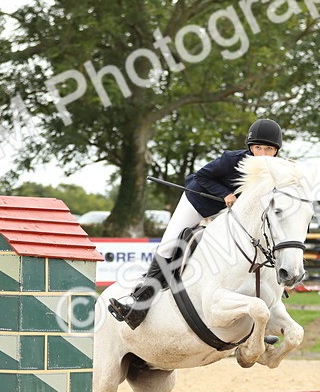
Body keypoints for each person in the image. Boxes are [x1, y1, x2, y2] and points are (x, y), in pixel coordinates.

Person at [107, 118, 283, 329]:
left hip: (227, 213)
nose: (263, 154)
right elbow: (202, 176)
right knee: (169, 245)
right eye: (258, 148)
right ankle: (138, 304)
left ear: (276, 150)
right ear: (250, 147)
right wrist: (224, 193)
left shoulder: (276, 169)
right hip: (197, 202)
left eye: (268, 149)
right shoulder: (232, 159)